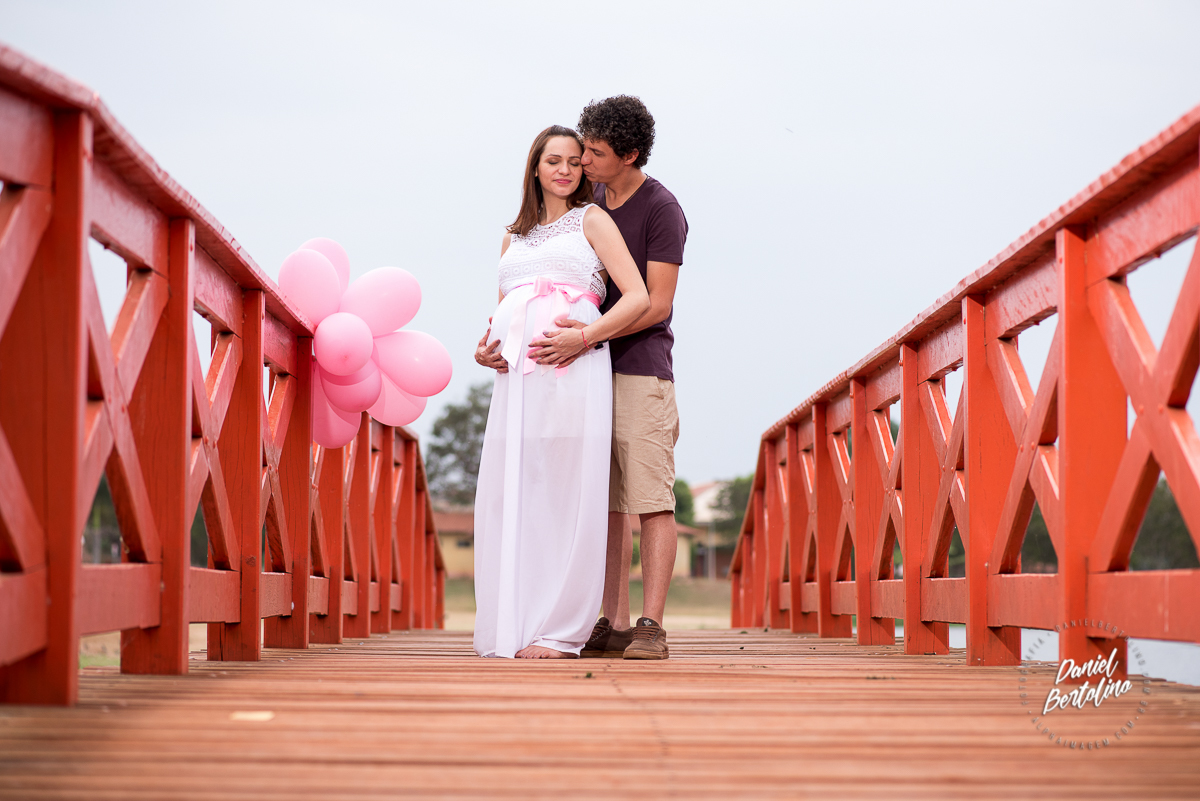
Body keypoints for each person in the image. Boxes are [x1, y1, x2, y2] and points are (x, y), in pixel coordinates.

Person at [471, 125, 649, 659]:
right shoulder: (512, 236)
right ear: (535, 168)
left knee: (571, 491)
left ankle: (562, 629)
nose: (567, 169)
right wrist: (485, 349)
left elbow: (637, 296)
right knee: (518, 491)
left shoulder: (592, 220)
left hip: (574, 368)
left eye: (575, 161)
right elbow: (502, 310)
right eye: (554, 161)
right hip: (517, 383)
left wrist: (583, 338)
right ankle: (516, 621)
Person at [527, 96, 688, 660]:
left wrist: (587, 337)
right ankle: (612, 620)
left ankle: (651, 626)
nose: (582, 161)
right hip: (581, 372)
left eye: (594, 153)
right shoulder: (587, 200)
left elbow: (658, 304)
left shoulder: (662, 209)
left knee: (650, 498)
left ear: (630, 155)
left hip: (640, 369)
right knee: (605, 502)